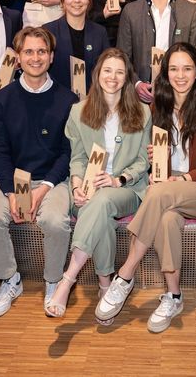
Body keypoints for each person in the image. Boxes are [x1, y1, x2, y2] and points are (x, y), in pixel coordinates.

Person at [95, 43, 196, 332]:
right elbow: (155, 165)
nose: (180, 75)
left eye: (187, 68)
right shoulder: (157, 109)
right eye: (174, 69)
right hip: (168, 187)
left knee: (156, 193)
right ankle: (173, 296)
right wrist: (158, 157)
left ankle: (125, 273)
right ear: (165, 73)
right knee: (166, 220)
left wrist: (182, 179)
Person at [0, 27, 77, 317]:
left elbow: (67, 153)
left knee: (56, 221)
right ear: (18, 58)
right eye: (29, 51)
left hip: (53, 180)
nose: (36, 57)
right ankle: (10, 279)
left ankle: (53, 281)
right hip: (10, 178)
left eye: (42, 51)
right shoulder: (2, 99)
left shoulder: (68, 100)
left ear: (51, 56)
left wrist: (44, 188)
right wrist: (10, 192)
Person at [45, 47, 151, 319]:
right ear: (97, 74)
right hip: (89, 189)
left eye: (119, 72)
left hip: (126, 189)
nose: (113, 77)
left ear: (127, 77)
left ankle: (67, 279)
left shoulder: (142, 112)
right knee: (99, 211)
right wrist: (77, 186)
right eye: (107, 70)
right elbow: (78, 158)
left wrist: (117, 179)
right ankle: (105, 285)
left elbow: (143, 161)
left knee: (102, 200)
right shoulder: (79, 111)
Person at [44, 0, 109, 91]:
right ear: (62, 0)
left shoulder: (100, 33)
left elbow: (105, 70)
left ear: (89, 0)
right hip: (57, 98)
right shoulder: (48, 31)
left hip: (91, 98)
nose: (77, 0)